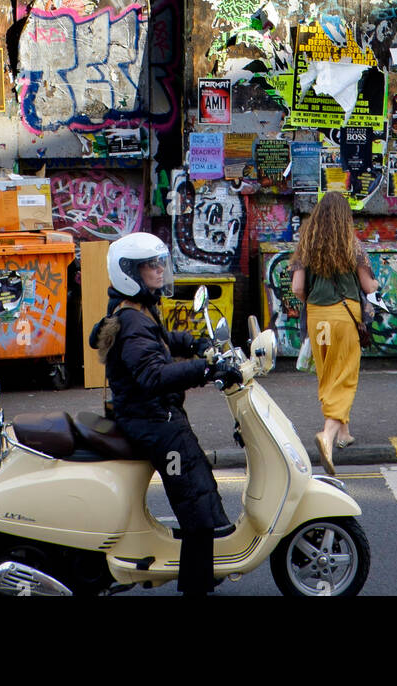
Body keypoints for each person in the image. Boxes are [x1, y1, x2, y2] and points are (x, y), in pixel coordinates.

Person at [89, 232, 240, 597]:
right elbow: (153, 375)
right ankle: (196, 583)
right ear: (130, 273)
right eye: (151, 265)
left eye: (160, 263)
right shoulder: (131, 321)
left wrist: (196, 343)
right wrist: (207, 370)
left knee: (200, 487)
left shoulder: (136, 311)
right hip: (153, 423)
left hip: (156, 416)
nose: (159, 270)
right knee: (195, 502)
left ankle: (209, 564)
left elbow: (160, 339)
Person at [290, 193, 376, 476]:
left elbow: (297, 289)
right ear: (344, 217)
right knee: (345, 376)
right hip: (344, 317)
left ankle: (343, 434)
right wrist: (375, 281)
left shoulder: (306, 246)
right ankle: (327, 436)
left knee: (328, 374)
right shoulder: (353, 246)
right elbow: (368, 286)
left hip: (317, 316)